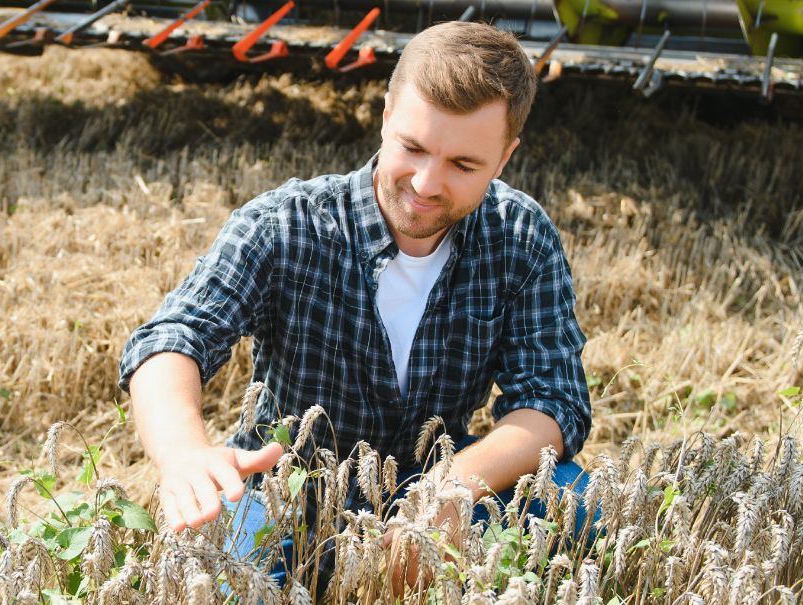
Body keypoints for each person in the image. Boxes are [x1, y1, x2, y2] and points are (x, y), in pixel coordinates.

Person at [117, 20, 592, 593]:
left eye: (463, 165)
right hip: (284, 490)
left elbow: (551, 400)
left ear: (505, 156)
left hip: (436, 483)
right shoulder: (285, 224)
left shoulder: (520, 238)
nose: (425, 182)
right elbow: (173, 338)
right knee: (219, 578)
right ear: (387, 115)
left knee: (579, 507)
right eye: (413, 147)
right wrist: (184, 452)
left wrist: (451, 488)